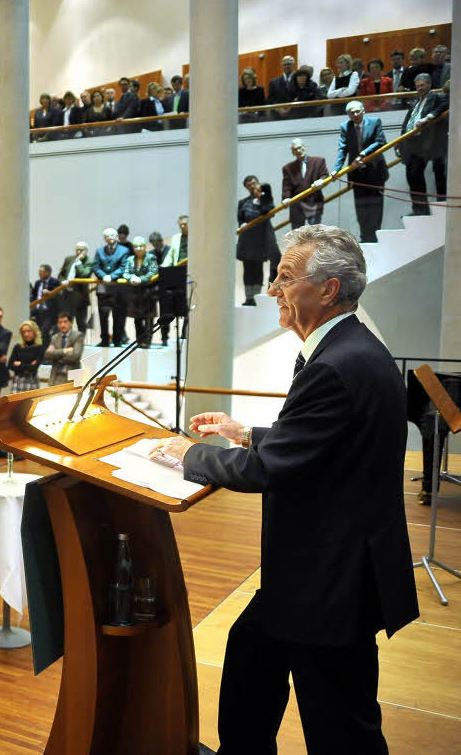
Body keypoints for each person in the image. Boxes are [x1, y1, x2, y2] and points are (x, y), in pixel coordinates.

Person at [153, 224, 418, 754]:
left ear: (328, 290)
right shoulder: (352, 349)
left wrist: (189, 455)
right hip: (320, 569)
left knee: (341, 726)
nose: (273, 289)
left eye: (285, 277)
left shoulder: (338, 364)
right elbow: (327, 440)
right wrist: (246, 433)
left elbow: (266, 471)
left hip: (328, 582)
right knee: (251, 658)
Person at [333, 101, 388, 242]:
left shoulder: (375, 122)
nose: (355, 115)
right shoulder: (346, 127)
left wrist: (363, 153)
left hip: (375, 172)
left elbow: (381, 141)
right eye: (352, 113)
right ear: (348, 115)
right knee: (361, 208)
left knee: (376, 207)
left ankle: (375, 236)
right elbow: (342, 149)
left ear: (363, 111)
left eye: (357, 111)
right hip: (357, 174)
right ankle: (365, 237)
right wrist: (336, 170)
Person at [397, 73, 448, 216]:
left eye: (422, 85)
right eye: (417, 86)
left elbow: (446, 104)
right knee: (410, 175)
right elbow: (406, 124)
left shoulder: (437, 97)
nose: (420, 88)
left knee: (416, 173)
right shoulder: (416, 102)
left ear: (429, 84)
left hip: (424, 144)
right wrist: (399, 143)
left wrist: (428, 117)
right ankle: (418, 208)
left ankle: (423, 209)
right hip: (410, 144)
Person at [237, 175, 279, 306]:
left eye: (253, 183)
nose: (252, 186)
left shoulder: (266, 197)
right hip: (247, 240)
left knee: (258, 268)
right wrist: (242, 224)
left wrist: (260, 197)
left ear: (258, 183)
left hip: (261, 238)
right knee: (248, 269)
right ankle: (248, 297)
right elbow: (240, 219)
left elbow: (270, 211)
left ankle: (256, 296)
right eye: (249, 185)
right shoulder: (243, 202)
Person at [280, 139, 330, 228]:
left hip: (314, 202)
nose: (298, 151)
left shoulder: (318, 161)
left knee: (315, 232)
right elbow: (287, 185)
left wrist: (321, 181)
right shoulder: (288, 168)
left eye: (299, 148)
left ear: (305, 147)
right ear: (292, 152)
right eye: (295, 149)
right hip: (296, 205)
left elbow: (325, 175)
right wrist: (286, 198)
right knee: (297, 234)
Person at [93, 228, 130, 345]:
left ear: (117, 237)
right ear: (104, 238)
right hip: (103, 288)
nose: (110, 238)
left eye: (113, 235)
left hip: (118, 289)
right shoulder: (99, 251)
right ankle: (104, 340)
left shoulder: (124, 250)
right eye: (108, 236)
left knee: (117, 316)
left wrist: (112, 276)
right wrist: (103, 276)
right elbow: (96, 267)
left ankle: (117, 340)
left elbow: (124, 266)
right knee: (103, 316)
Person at [122, 237, 159, 346]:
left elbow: (153, 272)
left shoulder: (151, 257)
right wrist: (131, 277)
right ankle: (139, 341)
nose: (138, 248)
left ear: (145, 247)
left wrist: (140, 279)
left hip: (148, 293)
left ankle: (147, 342)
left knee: (148, 320)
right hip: (135, 294)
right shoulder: (130, 259)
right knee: (137, 319)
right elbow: (125, 273)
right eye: (136, 246)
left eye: (140, 246)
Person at [43, 312, 83, 386]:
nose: (62, 325)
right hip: (56, 377)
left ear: (71, 323)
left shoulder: (78, 336)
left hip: (71, 377)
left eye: (65, 322)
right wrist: (65, 351)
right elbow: (47, 354)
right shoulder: (54, 337)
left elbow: (75, 356)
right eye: (60, 322)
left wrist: (56, 356)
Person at [7, 320, 44, 392]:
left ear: (34, 331)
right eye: (23, 332)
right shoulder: (17, 347)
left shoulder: (39, 348)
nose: (26, 334)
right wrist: (28, 365)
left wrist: (20, 364)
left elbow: (34, 367)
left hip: (32, 380)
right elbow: (10, 365)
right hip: (17, 381)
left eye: (29, 331)